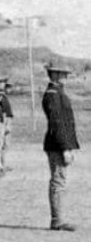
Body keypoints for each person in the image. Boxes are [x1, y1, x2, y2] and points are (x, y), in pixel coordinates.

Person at [42, 58, 80, 232]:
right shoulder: (53, 94)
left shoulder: (58, 93)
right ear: (55, 74)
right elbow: (57, 123)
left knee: (60, 180)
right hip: (57, 144)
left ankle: (58, 218)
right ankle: (57, 219)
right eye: (63, 73)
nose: (66, 76)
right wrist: (65, 147)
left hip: (60, 143)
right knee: (58, 181)